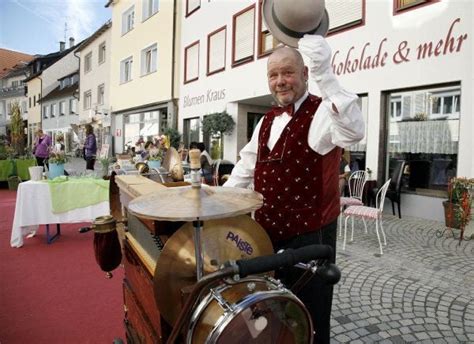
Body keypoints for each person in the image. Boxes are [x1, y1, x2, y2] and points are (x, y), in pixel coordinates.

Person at [224, 34, 364, 343]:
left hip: (310, 236)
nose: (280, 81)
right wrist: (219, 204)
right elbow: (246, 168)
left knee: (310, 318)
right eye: (273, 75)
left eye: (287, 72)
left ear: (305, 74)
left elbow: (354, 130)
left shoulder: (324, 111)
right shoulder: (266, 120)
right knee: (273, 312)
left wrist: (326, 75)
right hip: (267, 235)